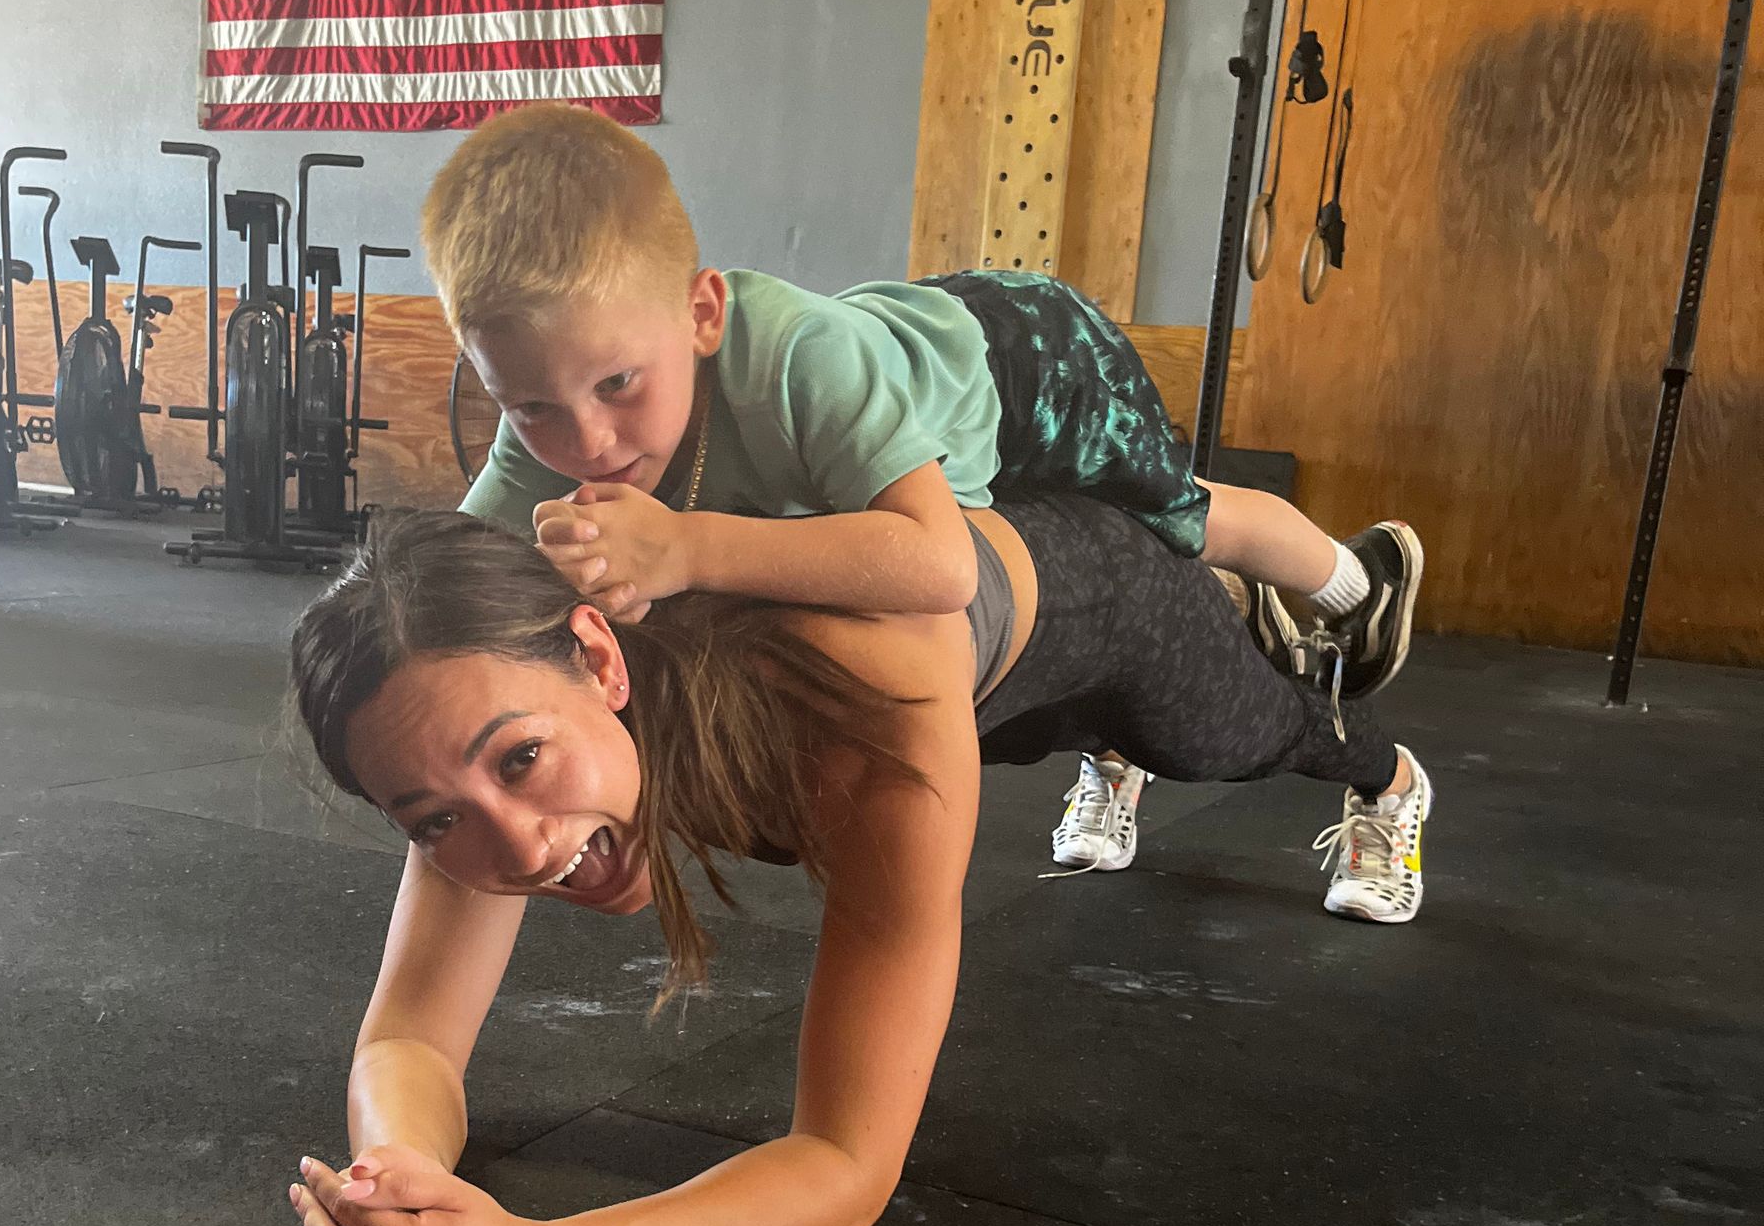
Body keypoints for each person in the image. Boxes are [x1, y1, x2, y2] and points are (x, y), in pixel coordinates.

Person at [283, 500, 1431, 1226]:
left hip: (1094, 600)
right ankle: (1106, 748)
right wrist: (399, 1177)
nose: (521, 848)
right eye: (436, 820)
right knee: (1018, 732)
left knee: (1234, 737)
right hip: (979, 696)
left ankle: (1378, 766)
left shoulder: (858, 705)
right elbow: (409, 1044)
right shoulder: (462, 710)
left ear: (595, 654)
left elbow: (842, 1165)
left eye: (523, 760)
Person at [424, 103, 1422, 882]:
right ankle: (1122, 745)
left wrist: (685, 549)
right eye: (534, 410)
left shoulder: (790, 359)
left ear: (701, 313)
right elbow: (439, 594)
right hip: (910, 382)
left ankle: (1352, 582)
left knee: (1184, 522)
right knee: (1112, 589)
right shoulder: (546, 438)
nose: (586, 440)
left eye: (617, 386)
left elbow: (940, 564)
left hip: (1031, 366)